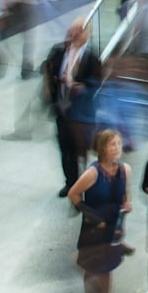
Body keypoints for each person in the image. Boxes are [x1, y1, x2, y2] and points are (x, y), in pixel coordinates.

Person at [69, 129, 132, 293]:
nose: (117, 148)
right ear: (103, 148)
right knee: (92, 269)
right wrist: (91, 215)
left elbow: (125, 196)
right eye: (112, 144)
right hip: (93, 229)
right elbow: (73, 194)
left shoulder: (124, 170)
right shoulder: (93, 173)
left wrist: (127, 205)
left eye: (119, 144)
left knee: (107, 268)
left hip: (112, 228)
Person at [44, 21, 103, 198]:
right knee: (65, 148)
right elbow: (47, 69)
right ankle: (69, 182)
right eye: (72, 31)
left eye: (79, 31)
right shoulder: (59, 51)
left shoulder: (91, 57)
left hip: (81, 114)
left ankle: (84, 183)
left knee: (81, 150)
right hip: (62, 109)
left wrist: (81, 87)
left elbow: (97, 83)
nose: (74, 35)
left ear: (87, 34)